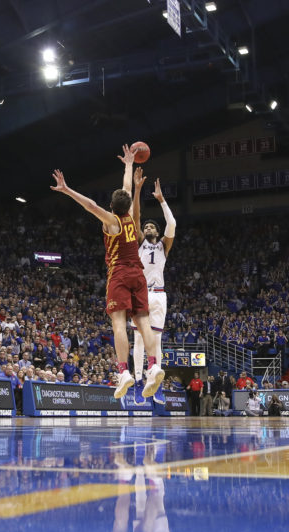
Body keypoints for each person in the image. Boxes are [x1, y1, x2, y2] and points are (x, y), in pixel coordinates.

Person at [50, 146, 158, 400]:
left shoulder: (112, 221)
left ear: (111, 206)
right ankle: (153, 366)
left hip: (119, 273)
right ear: (128, 204)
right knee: (143, 322)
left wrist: (67, 190)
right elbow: (127, 187)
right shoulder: (130, 217)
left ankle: (124, 371)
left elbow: (90, 205)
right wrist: (128, 164)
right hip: (138, 274)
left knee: (119, 323)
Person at [132, 169, 176, 403]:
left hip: (159, 295)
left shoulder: (163, 246)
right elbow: (136, 218)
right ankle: (138, 382)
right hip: (140, 293)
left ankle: (154, 381)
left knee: (156, 340)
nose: (148, 228)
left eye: (152, 227)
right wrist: (138, 190)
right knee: (139, 340)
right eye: (146, 227)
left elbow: (172, 223)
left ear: (157, 233)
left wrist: (162, 200)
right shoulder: (140, 242)